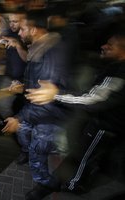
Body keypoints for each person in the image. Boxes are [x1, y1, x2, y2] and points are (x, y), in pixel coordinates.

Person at [23, 29, 125, 200]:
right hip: (104, 120)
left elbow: (93, 98)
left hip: (105, 125)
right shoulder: (113, 66)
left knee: (83, 155)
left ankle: (74, 185)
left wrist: (55, 94)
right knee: (87, 152)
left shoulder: (119, 73)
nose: (103, 46)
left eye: (111, 45)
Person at [1, 9, 71, 196]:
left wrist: (18, 117)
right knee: (25, 135)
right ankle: (30, 154)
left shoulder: (50, 55)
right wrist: (23, 86)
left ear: (33, 30)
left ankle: (46, 183)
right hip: (37, 110)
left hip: (50, 115)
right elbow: (37, 85)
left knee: (37, 151)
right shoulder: (41, 48)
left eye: (22, 29)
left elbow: (46, 98)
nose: (19, 33)